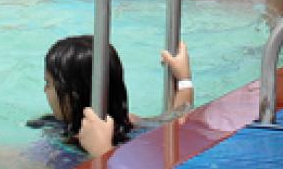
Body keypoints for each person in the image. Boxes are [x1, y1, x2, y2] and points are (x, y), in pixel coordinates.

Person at [36, 35, 195, 159]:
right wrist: (184, 80)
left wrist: (102, 152)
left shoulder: (62, 148)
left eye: (48, 83)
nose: (44, 90)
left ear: (73, 95)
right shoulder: (131, 124)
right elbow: (178, 118)